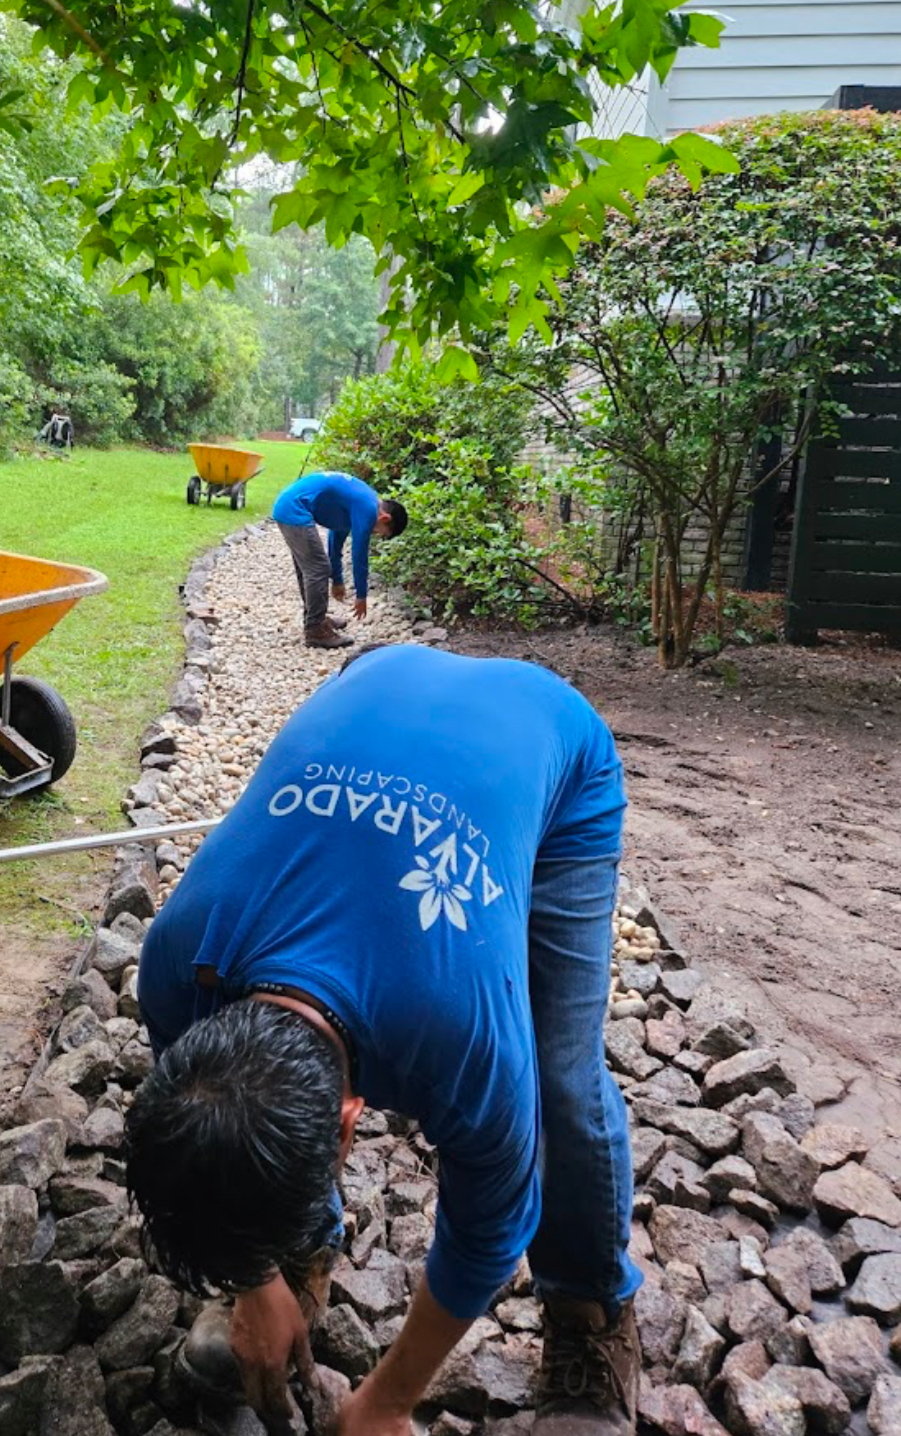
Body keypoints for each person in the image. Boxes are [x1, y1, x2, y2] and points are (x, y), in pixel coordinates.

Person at [127, 644, 640, 1436]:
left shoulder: (460, 1032)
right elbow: (200, 1132)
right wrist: (254, 1280)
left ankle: (588, 1308)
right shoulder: (176, 960)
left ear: (348, 1119)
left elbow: (488, 1227)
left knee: (562, 1082)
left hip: (551, 748)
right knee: (239, 1143)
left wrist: (387, 1400)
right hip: (376, 683)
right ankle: (299, 1254)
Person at [271, 471, 407, 649]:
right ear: (385, 518)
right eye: (379, 532)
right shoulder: (367, 508)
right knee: (318, 569)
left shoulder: (360, 503)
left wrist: (338, 580)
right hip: (294, 509)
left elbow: (335, 543)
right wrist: (361, 595)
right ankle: (315, 630)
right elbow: (360, 555)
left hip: (289, 504)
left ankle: (316, 619)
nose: (373, 533)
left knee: (310, 568)